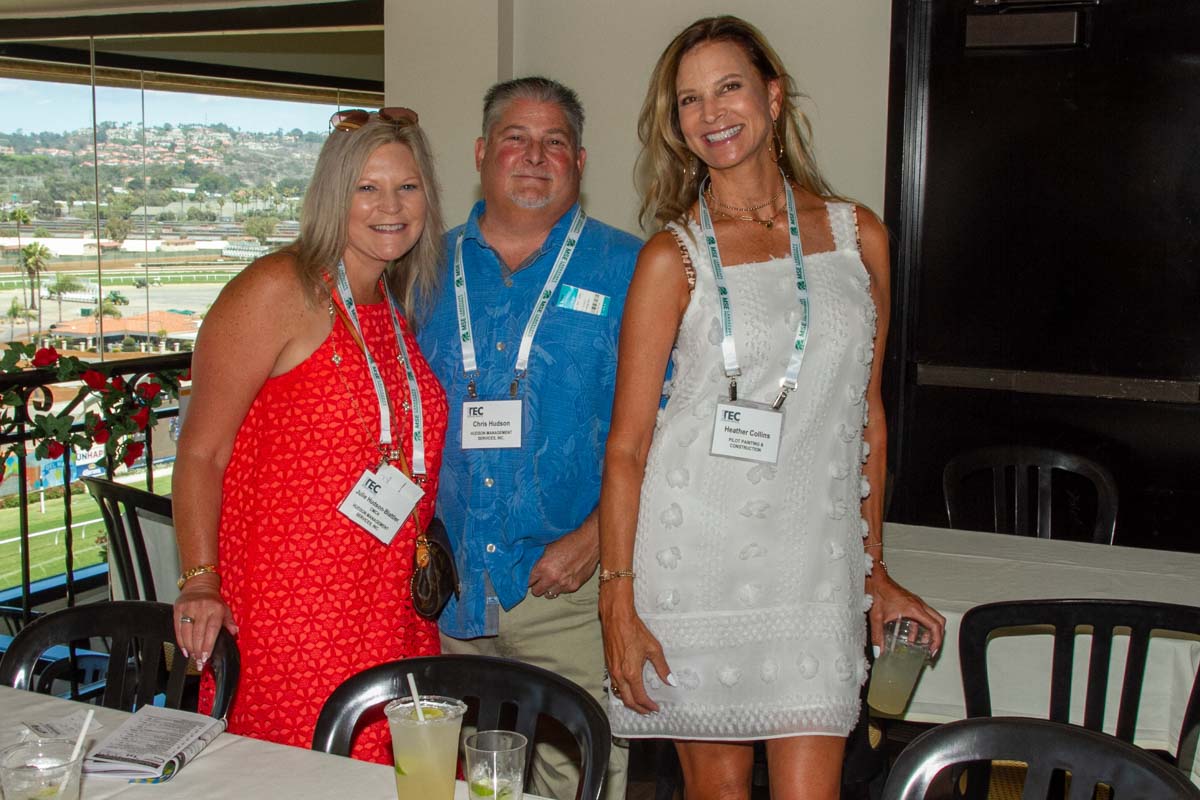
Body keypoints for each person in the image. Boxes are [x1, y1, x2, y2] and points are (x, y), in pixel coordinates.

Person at [598, 16, 946, 799]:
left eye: (729, 87)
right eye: (690, 99)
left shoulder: (859, 236)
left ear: (773, 96)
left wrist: (875, 570)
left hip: (814, 565)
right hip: (692, 559)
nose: (711, 112)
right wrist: (616, 600)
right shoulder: (673, 256)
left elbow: (867, 419)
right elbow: (628, 447)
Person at [172, 108, 448, 763]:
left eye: (407, 187)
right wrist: (201, 579)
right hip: (292, 614)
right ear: (332, 196)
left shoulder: (390, 303)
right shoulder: (279, 288)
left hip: (387, 605)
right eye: (366, 188)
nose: (390, 206)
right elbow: (202, 451)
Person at [417, 77, 640, 800]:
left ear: (580, 161)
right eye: (516, 138)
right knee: (449, 784)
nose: (535, 156)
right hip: (444, 590)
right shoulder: (419, 268)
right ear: (483, 153)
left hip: (569, 591)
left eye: (555, 142)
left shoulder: (633, 268)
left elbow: (669, 419)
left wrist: (597, 539)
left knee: (580, 781)